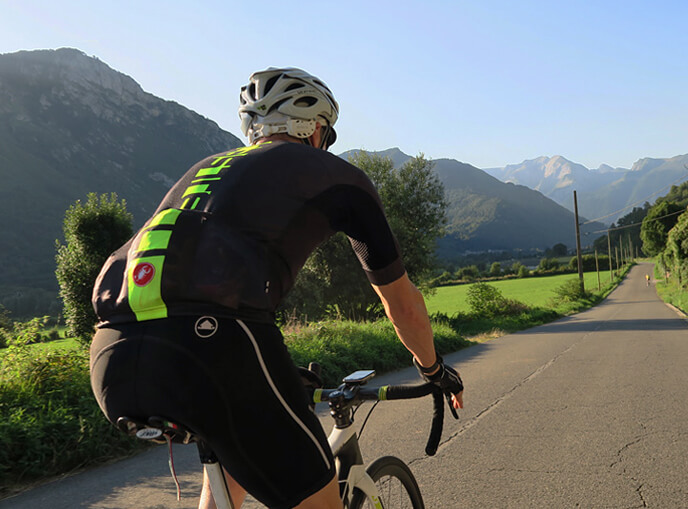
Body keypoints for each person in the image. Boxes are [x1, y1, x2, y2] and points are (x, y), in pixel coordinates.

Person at [89, 67, 464, 509]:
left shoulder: (202, 170)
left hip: (111, 355)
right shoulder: (339, 176)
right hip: (217, 345)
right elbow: (402, 303)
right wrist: (434, 369)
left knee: (234, 452)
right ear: (317, 129)